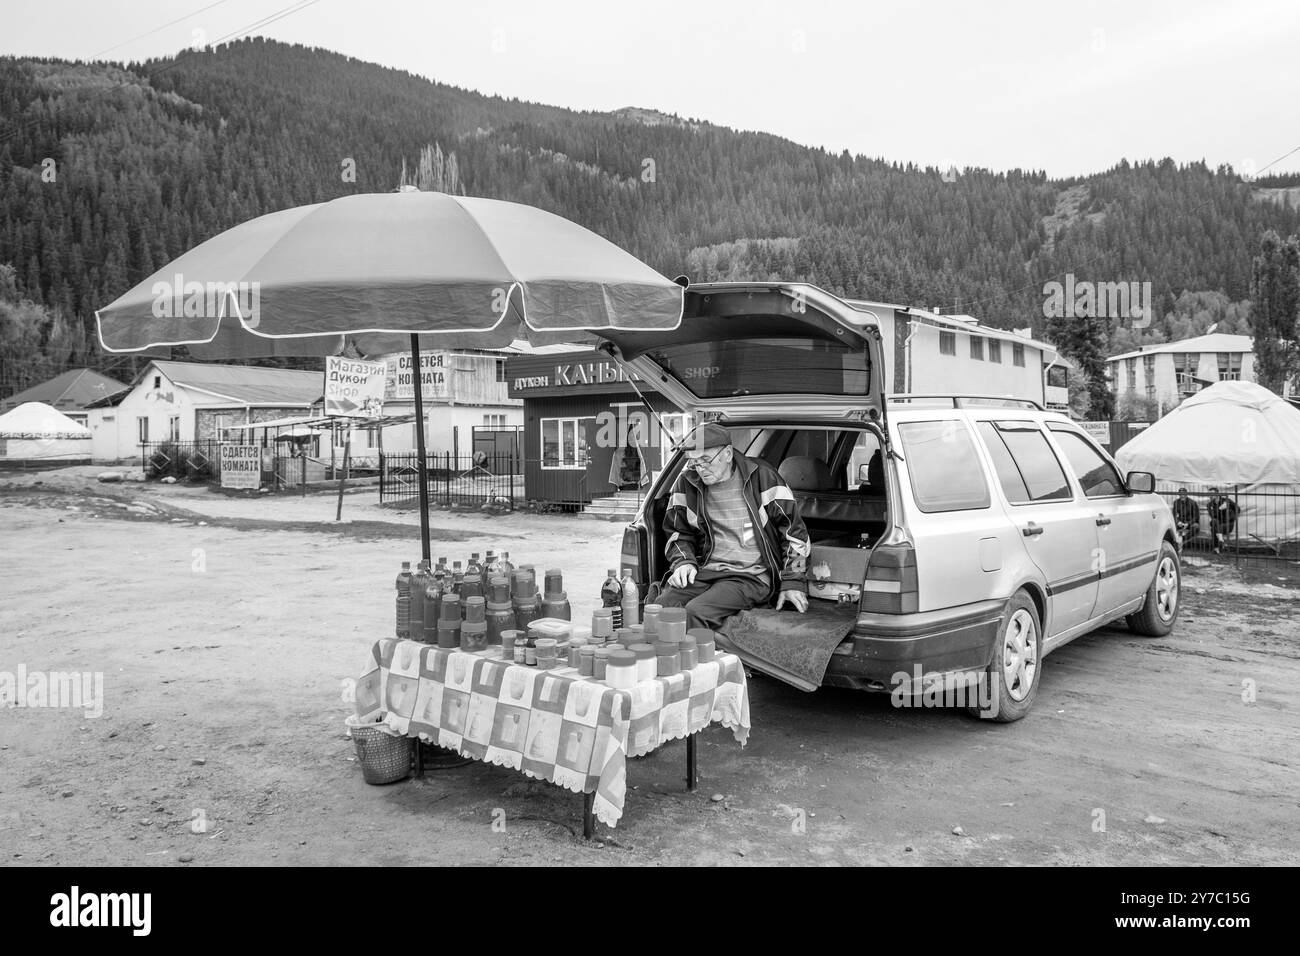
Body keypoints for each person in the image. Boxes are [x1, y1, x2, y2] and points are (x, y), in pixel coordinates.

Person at [656, 422, 810, 631]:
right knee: (660, 608)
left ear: (727, 454)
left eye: (705, 460)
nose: (700, 469)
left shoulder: (763, 477)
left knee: (696, 612)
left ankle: (696, 663)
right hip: (707, 570)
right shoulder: (686, 482)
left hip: (751, 576)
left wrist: (793, 582)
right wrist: (683, 562)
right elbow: (677, 532)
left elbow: (795, 534)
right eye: (694, 463)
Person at [1207, 487, 1238, 554]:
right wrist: (1220, 508)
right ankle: (1221, 540)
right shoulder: (1209, 505)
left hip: (1228, 524)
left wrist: (1232, 517)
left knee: (1214, 529)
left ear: (1217, 494)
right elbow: (1213, 515)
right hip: (1218, 524)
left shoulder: (1226, 500)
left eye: (1212, 494)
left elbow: (1237, 509)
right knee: (1214, 522)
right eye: (1209, 494)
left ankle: (1216, 548)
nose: (1210, 496)